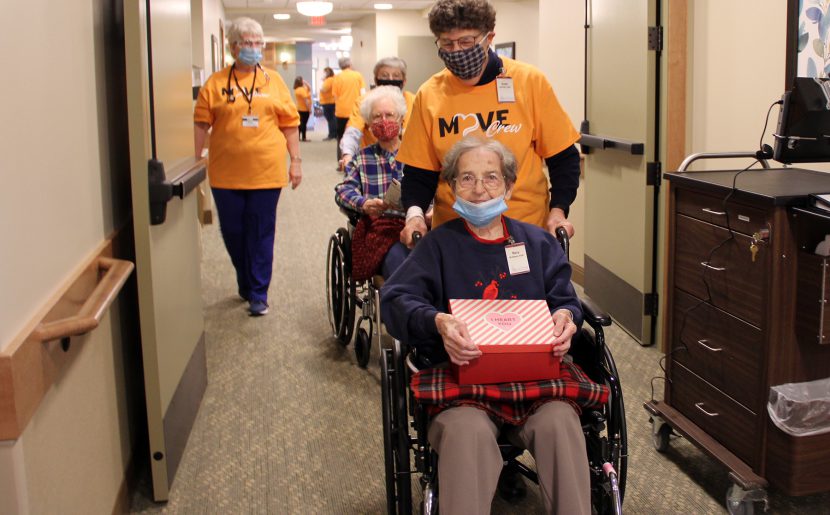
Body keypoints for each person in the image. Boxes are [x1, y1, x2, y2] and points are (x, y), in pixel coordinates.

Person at [381, 137, 604, 515]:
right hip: (460, 382)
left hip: (536, 382)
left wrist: (566, 318)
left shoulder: (536, 243)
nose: (480, 189)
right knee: (467, 433)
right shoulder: (438, 246)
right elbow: (395, 301)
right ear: (451, 188)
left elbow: (565, 298)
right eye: (466, 178)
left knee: (562, 423)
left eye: (491, 177)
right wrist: (437, 321)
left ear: (510, 186)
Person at [397, 0, 582, 249]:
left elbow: (563, 158)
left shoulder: (529, 83)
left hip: (524, 228)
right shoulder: (429, 94)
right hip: (455, 233)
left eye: (467, 42)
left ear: (489, 37)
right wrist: (415, 216)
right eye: (447, 44)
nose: (457, 51)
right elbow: (419, 172)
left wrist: (558, 211)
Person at [193, 17, 302, 316]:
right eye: (247, 43)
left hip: (266, 172)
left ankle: (258, 292)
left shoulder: (274, 82)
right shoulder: (215, 84)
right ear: (232, 47)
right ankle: (245, 278)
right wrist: (193, 161)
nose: (254, 48)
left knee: (261, 231)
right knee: (234, 232)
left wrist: (296, 162)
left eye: (258, 43)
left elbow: (290, 124)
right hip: (225, 174)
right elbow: (201, 123)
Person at [334, 86, 409, 280]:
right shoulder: (361, 159)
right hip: (381, 230)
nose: (384, 121)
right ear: (368, 123)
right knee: (399, 261)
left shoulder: (416, 154)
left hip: (418, 225)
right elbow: (344, 191)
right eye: (377, 117)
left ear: (401, 118)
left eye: (390, 115)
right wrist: (364, 204)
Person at [338, 57, 416, 169]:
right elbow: (353, 132)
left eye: (396, 76)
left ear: (404, 81)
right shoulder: (364, 101)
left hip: (408, 161)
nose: (390, 79)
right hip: (372, 162)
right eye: (384, 75)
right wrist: (347, 154)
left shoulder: (413, 101)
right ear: (376, 79)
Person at [332, 57, 366, 162]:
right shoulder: (357, 75)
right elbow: (363, 93)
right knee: (357, 137)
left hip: (341, 112)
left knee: (341, 137)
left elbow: (335, 96)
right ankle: (355, 160)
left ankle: (342, 160)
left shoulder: (337, 77)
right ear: (350, 64)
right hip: (356, 112)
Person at [319, 67, 337, 140]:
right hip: (331, 102)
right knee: (332, 118)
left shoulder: (329, 80)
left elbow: (324, 89)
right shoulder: (333, 79)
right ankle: (334, 134)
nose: (323, 74)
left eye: (324, 72)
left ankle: (332, 134)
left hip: (328, 102)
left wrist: (323, 83)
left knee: (330, 119)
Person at [293, 76, 312, 142]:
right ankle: (304, 137)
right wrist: (309, 109)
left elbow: (309, 88)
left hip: (299, 108)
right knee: (303, 124)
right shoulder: (301, 90)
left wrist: (305, 83)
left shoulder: (297, 89)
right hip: (304, 109)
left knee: (301, 123)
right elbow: (306, 100)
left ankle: (298, 137)